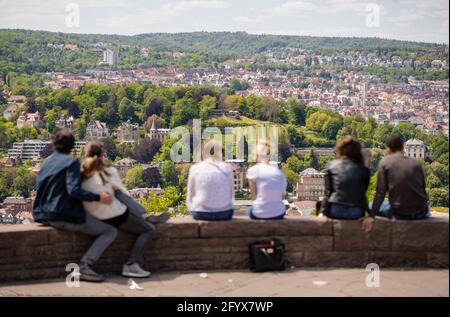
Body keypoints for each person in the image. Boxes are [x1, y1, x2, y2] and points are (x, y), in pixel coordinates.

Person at [33, 129, 115, 282]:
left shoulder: (46, 162)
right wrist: (98, 197)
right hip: (60, 215)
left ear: (54, 145)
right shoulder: (71, 163)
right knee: (109, 230)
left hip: (41, 214)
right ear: (72, 147)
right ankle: (85, 265)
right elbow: (74, 190)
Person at [81, 140, 155, 278]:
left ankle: (141, 214)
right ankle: (131, 264)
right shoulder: (109, 171)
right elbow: (123, 194)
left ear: (86, 153)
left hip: (92, 216)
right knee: (149, 230)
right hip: (114, 215)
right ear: (103, 153)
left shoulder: (80, 170)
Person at [362, 134, 429, 232]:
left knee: (371, 205)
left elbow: (380, 193)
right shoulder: (416, 163)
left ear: (388, 148)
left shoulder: (385, 162)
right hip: (421, 211)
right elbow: (423, 190)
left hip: (400, 212)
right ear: (402, 147)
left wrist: (371, 216)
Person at [318, 136, 370, 220]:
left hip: (336, 208)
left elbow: (328, 192)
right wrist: (368, 214)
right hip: (356, 210)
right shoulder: (364, 170)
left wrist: (321, 213)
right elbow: (362, 193)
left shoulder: (331, 166)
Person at [187, 139, 234, 221]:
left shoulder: (195, 168)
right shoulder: (227, 168)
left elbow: (190, 197)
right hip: (224, 213)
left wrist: (193, 208)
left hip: (201, 212)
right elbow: (231, 195)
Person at [247, 140, 287, 220]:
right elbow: (282, 197)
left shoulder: (253, 170)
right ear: (270, 156)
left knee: (250, 210)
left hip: (259, 213)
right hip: (279, 213)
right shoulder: (280, 173)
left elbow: (254, 197)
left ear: (256, 156)